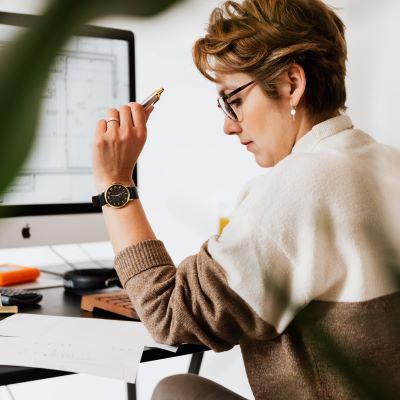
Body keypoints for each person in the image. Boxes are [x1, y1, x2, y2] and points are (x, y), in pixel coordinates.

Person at [91, 0, 400, 398]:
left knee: (175, 391)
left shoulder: (302, 183)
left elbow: (170, 315)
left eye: (233, 100)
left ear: (291, 83)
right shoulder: (387, 162)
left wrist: (116, 183)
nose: (228, 126)